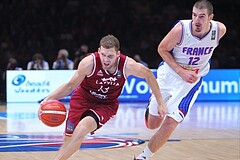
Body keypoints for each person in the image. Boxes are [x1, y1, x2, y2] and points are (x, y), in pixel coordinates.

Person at [38, 34, 166, 160]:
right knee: (69, 140)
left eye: (110, 56)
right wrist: (47, 100)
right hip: (82, 98)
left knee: (82, 129)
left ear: (117, 54)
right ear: (99, 51)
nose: (106, 59)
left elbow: (149, 75)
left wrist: (160, 102)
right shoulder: (89, 63)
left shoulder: (127, 65)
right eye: (103, 55)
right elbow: (70, 86)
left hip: (106, 105)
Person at [134, 0, 226, 159]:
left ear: (211, 17)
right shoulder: (180, 30)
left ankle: (143, 157)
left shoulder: (219, 30)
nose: (197, 20)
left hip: (190, 83)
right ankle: (151, 107)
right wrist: (180, 70)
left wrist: (197, 68)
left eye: (202, 16)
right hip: (169, 75)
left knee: (171, 122)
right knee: (153, 124)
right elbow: (161, 49)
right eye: (194, 15)